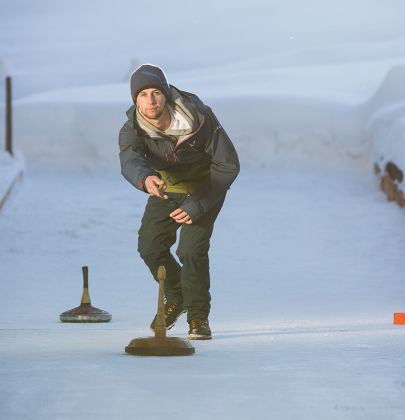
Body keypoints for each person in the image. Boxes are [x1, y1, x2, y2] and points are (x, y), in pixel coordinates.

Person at [119, 64, 239, 339]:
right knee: (150, 246)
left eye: (155, 93)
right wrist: (146, 179)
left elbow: (228, 165)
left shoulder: (199, 118)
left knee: (190, 250)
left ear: (166, 94)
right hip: (166, 188)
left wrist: (198, 205)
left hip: (205, 188)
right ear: (135, 99)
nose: (150, 101)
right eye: (143, 95)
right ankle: (177, 295)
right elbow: (129, 157)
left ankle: (198, 318)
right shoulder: (133, 126)